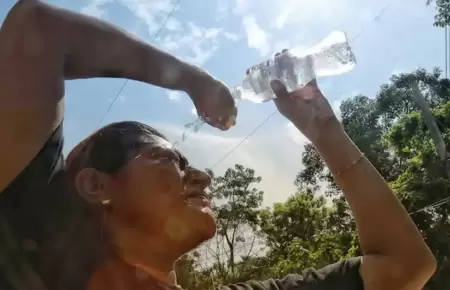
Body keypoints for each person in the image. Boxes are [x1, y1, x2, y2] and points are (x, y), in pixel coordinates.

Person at [0, 1, 436, 290]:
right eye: (164, 157)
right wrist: (193, 80)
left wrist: (325, 130)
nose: (203, 176)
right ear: (96, 186)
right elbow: (37, 29)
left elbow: (406, 266)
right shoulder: (30, 259)